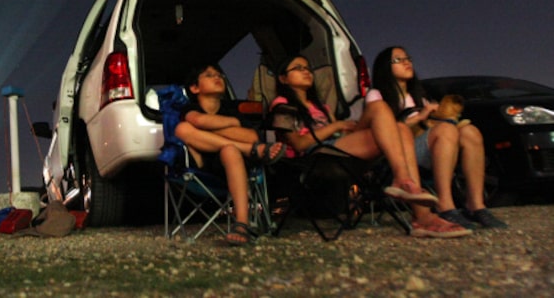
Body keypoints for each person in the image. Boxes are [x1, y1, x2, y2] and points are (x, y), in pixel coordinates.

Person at [270, 54, 471, 238]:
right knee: (378, 107)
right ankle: (409, 193)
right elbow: (298, 143)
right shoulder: (282, 104)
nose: (306, 71)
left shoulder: (322, 106)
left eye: (307, 68)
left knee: (400, 128)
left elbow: (340, 134)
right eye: (298, 68)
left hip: (342, 148)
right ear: (283, 79)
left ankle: (420, 212)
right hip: (315, 155)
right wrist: (337, 125)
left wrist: (345, 128)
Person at [369, 46, 507, 229]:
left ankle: (476, 205)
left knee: (470, 132)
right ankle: (445, 205)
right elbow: (382, 128)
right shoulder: (376, 95)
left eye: (407, 58)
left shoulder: (419, 96)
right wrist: (419, 117)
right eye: (398, 60)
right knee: (446, 131)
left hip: (430, 147)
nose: (406, 62)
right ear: (385, 67)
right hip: (400, 152)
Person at [174, 63, 285, 245]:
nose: (217, 77)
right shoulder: (190, 109)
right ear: (195, 88)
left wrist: (218, 126)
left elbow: (251, 135)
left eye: (219, 75)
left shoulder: (232, 111)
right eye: (209, 75)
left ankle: (242, 223)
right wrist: (232, 126)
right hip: (205, 168)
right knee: (182, 128)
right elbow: (198, 120)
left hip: (237, 166)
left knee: (230, 150)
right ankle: (249, 150)